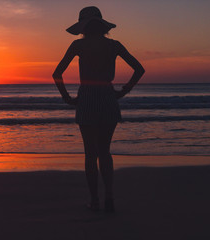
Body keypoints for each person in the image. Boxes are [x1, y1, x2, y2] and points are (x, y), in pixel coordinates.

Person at [52, 6, 145, 212]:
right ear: (102, 25)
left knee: (90, 153)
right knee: (105, 152)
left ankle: (94, 200)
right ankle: (109, 198)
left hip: (87, 97)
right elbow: (139, 69)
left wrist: (67, 97)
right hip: (107, 97)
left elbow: (57, 73)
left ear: (83, 26)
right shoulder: (114, 45)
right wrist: (124, 91)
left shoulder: (78, 45)